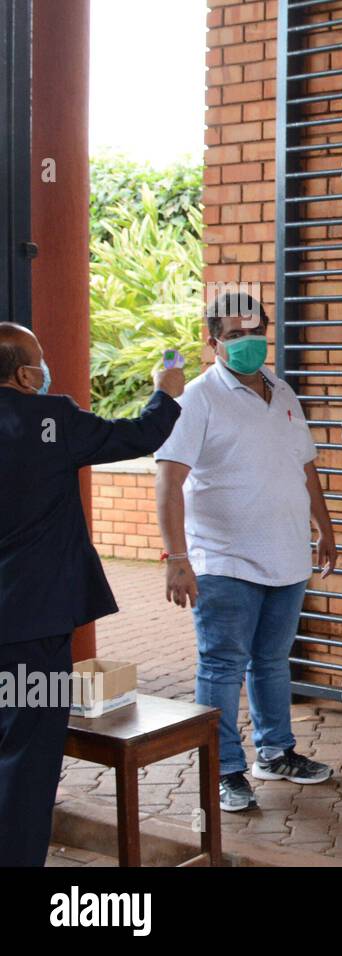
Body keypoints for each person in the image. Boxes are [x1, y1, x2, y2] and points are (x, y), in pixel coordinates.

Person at [0, 321, 184, 866]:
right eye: (41, 357)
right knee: (25, 756)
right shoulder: (48, 420)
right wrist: (165, 392)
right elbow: (139, 435)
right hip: (30, 627)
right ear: (27, 373)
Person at [155, 292, 336, 812]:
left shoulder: (283, 394)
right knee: (221, 666)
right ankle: (224, 769)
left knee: (272, 662)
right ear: (212, 343)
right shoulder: (196, 398)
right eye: (234, 335)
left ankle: (275, 752)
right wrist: (176, 558)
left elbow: (305, 467)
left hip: (286, 555)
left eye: (254, 331)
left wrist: (324, 526)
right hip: (223, 560)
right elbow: (169, 479)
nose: (248, 342)